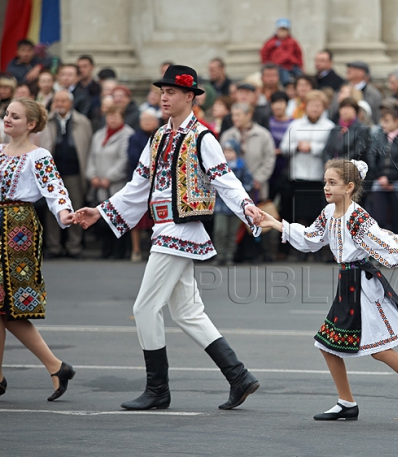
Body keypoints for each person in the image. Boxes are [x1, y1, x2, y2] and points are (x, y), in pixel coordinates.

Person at [75, 65, 263, 411]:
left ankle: (157, 389)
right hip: (164, 228)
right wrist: (101, 211)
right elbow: (138, 186)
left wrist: (247, 207)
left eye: (172, 92)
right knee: (188, 312)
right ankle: (239, 376)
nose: (164, 96)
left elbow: (225, 180)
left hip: (180, 230)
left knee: (144, 307)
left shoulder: (203, 137)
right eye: (162, 91)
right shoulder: (159, 137)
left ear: (190, 97)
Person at [258, 158, 398, 425]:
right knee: (327, 344)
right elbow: (312, 238)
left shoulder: (357, 217)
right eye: (325, 182)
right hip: (347, 283)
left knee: (381, 349)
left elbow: (381, 238)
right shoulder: (328, 212)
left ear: (349, 187)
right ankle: (346, 403)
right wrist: (276, 223)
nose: (326, 187)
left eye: (332, 183)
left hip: (363, 286)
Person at [0, 98, 77, 403]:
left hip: (20, 230)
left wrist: (65, 213)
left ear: (31, 124)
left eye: (15, 116)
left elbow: (55, 190)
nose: (8, 119)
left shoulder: (38, 156)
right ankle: (54, 366)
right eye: (7, 114)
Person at [39, 90, 93, 258]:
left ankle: (74, 245)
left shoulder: (82, 122)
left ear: (71, 103)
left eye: (63, 101)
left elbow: (88, 147)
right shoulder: (46, 121)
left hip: (74, 173)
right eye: (57, 101)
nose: (60, 104)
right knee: (52, 211)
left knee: (76, 209)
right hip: (52, 175)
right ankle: (54, 246)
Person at [279, 89, 334, 228]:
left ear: (324, 107)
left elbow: (332, 150)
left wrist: (313, 147)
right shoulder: (295, 125)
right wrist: (297, 146)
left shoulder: (329, 126)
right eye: (311, 105)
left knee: (316, 215)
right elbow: (284, 147)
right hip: (297, 176)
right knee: (297, 215)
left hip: (318, 177)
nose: (314, 109)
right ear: (305, 106)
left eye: (318, 105)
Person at [86, 105, 134, 259]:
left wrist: (109, 177)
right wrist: (92, 175)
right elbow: (91, 157)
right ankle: (105, 250)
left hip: (117, 185)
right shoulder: (99, 135)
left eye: (116, 116)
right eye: (110, 116)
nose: (112, 119)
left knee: (118, 218)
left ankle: (119, 251)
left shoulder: (128, 135)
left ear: (122, 118)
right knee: (103, 217)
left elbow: (124, 160)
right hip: (99, 184)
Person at [368, 105, 398, 237]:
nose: (383, 124)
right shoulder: (378, 138)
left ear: (397, 121)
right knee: (378, 219)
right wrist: (381, 177)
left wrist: (391, 179)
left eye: (387, 121)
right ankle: (379, 250)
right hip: (379, 182)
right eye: (383, 121)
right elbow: (372, 158)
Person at [220, 103, 276, 203]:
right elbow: (220, 159)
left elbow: (269, 159)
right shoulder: (227, 135)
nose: (234, 118)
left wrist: (258, 179)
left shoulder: (263, 135)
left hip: (257, 189)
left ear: (249, 115)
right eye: (233, 115)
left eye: (238, 115)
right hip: (231, 190)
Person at [126, 110, 160, 262]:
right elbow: (133, 157)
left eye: (149, 119)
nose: (146, 122)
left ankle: (157, 248)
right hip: (140, 180)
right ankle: (136, 249)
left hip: (159, 182)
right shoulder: (134, 137)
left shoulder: (162, 136)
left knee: (158, 217)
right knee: (137, 218)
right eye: (144, 120)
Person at [213, 139, 253, 265]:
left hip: (236, 205)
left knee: (233, 232)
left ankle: (229, 255)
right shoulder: (218, 166)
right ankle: (220, 255)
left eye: (230, 151)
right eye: (225, 151)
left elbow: (249, 182)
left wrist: (240, 192)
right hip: (221, 204)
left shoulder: (241, 166)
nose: (227, 154)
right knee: (220, 230)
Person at [322, 97, 371, 165]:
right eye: (342, 108)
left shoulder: (362, 129)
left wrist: (339, 163)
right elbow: (327, 150)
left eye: (348, 108)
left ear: (355, 111)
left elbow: (357, 151)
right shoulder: (335, 129)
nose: (344, 111)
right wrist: (328, 162)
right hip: (333, 167)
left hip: (351, 167)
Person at [260, 18, 303, 85]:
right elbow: (264, 53)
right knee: (285, 79)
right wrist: (266, 65)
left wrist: (300, 65)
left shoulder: (292, 41)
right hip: (279, 66)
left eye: (285, 30)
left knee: (301, 76)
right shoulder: (272, 42)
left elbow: (299, 54)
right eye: (281, 30)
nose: (283, 32)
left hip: (292, 64)